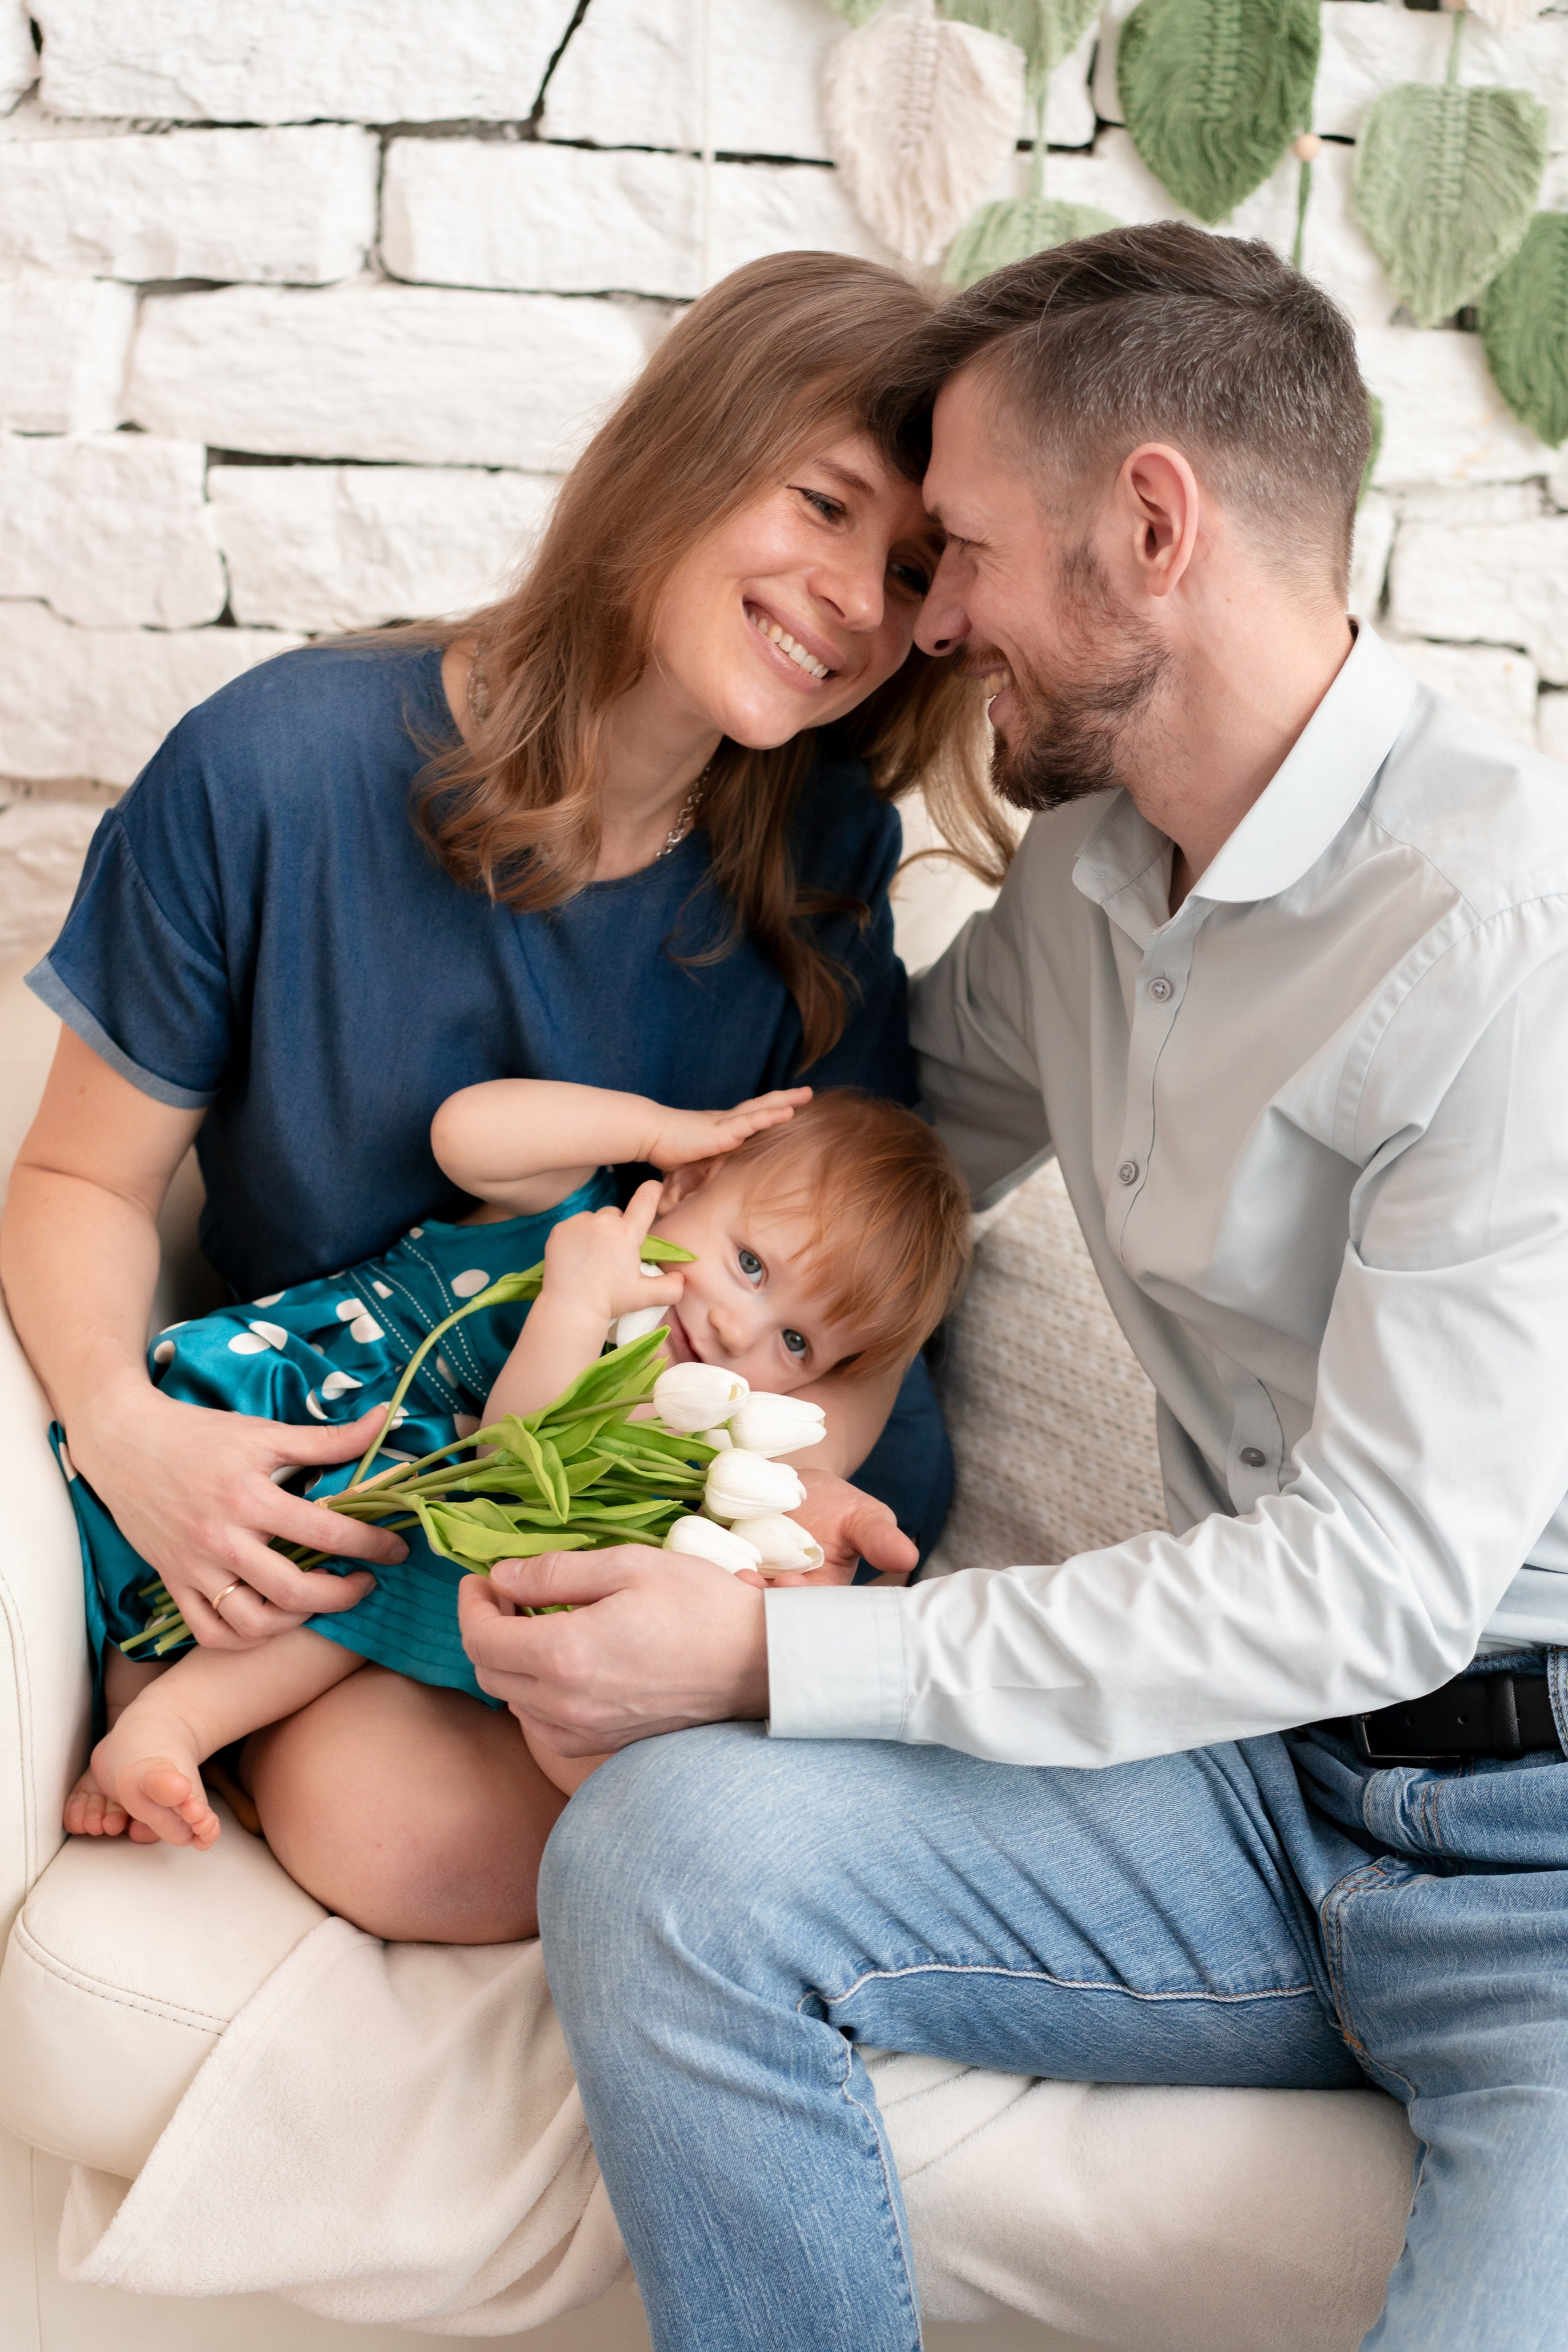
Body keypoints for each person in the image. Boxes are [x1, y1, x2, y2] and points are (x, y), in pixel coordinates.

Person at [462, 226, 1568, 2352]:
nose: (926, 613)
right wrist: (529, 1315)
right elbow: (840, 1171)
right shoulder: (1078, 889)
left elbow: (1378, 1585)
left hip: (1540, 1866)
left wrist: (789, 1653)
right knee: (666, 1865)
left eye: (957, 546)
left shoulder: (1504, 943)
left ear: (1149, 526)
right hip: (1259, 1786)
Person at [2, 250, 1009, 1945]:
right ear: (686, 450)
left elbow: (865, 1316)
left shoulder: (825, 854)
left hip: (614, 1518)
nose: (855, 597)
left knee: (620, 1818)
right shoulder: (277, 768)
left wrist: (741, 1554)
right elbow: (82, 1182)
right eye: (824, 506)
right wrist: (126, 1426)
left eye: (909, 568)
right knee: (437, 1843)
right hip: (349, 1482)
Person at [62, 1082, 970, 1940]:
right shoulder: (582, 1217)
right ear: (693, 1181)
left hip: (406, 1523)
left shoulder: (680, 1406)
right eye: (749, 1264)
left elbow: (516, 1476)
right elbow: (466, 1134)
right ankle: (149, 1715)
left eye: (797, 1341)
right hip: (305, 1409)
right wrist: (657, 1134)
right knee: (264, 1563)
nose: (742, 1328)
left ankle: (154, 1739)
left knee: (377, 1578)